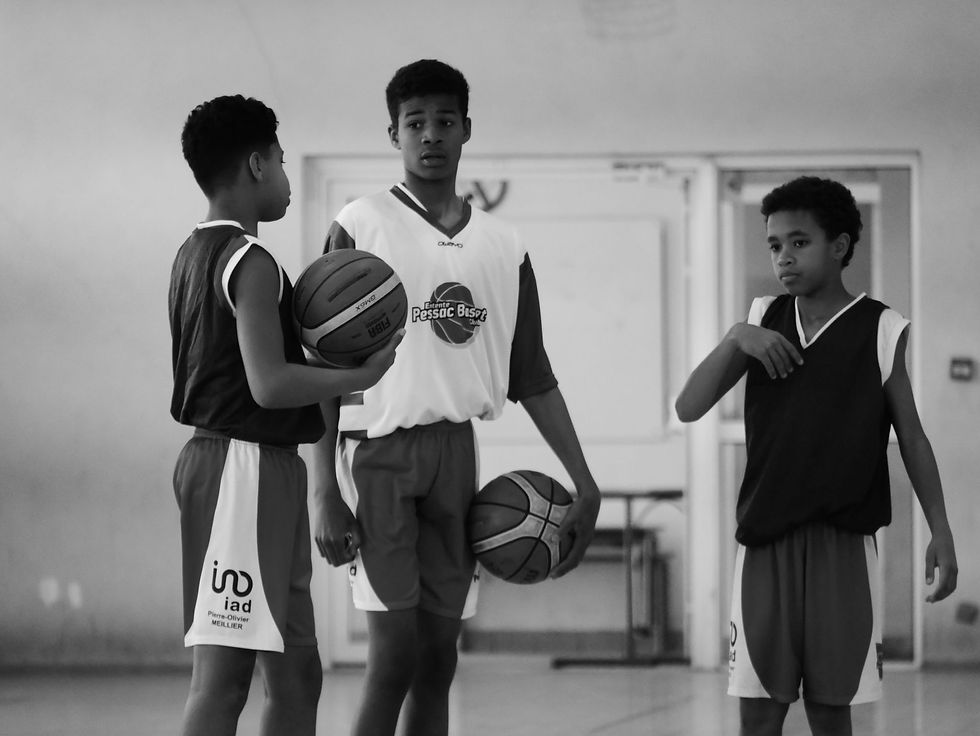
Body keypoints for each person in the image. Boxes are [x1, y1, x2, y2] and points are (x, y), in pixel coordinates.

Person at [310, 59, 602, 736]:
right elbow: (321, 364)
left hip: (456, 454)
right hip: (378, 455)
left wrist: (586, 482)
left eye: (445, 121)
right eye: (415, 123)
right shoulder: (360, 223)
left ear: (467, 128)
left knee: (439, 658)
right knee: (393, 658)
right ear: (394, 134)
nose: (431, 135)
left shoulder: (504, 245)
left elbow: (533, 375)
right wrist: (321, 488)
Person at [675, 176, 958, 736]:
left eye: (799, 242)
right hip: (765, 543)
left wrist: (941, 529)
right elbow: (688, 407)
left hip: (843, 546)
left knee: (831, 713)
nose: (784, 256)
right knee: (759, 716)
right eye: (774, 245)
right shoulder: (762, 319)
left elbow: (913, 438)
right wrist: (735, 337)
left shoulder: (881, 327)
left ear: (841, 245)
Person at [169, 94, 401, 736]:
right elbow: (268, 385)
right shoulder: (251, 261)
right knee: (223, 683)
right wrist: (359, 376)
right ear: (256, 164)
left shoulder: (193, 251)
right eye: (278, 159)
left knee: (298, 676)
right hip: (237, 470)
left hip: (257, 467)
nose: (284, 175)